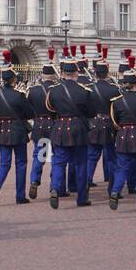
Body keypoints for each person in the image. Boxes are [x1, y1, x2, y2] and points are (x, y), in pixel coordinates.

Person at [46, 48, 94, 209]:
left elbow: (50, 109)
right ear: (76, 72)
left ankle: (55, 189)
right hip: (78, 128)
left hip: (60, 126)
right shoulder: (84, 90)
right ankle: (81, 198)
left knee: (59, 162)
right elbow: (91, 112)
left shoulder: (54, 90)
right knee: (80, 165)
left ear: (63, 72)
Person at [0, 49, 34, 206]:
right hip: (18, 131)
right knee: (21, 164)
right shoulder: (20, 95)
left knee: (4, 164)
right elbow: (29, 113)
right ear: (13, 78)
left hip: (2, 131)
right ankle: (20, 196)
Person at [109, 66, 136, 212]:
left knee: (122, 168)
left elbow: (114, 121)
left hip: (123, 135)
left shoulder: (116, 101)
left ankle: (115, 190)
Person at [26, 50, 58, 199]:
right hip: (54, 125)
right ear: (53, 75)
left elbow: (29, 110)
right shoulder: (57, 90)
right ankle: (54, 186)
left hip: (39, 125)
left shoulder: (33, 90)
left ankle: (34, 180)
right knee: (56, 157)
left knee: (39, 155)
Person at [85, 46, 117, 187]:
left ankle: (87, 181)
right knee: (110, 156)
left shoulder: (89, 89)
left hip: (93, 123)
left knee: (91, 156)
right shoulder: (114, 89)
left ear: (96, 74)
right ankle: (111, 184)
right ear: (107, 73)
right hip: (109, 123)